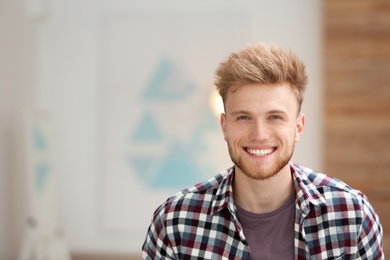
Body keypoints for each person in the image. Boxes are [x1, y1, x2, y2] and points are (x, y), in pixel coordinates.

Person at [142, 43, 385, 259]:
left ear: (298, 127)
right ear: (224, 127)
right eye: (244, 117)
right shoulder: (174, 223)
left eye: (275, 117)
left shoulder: (352, 216)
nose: (259, 134)